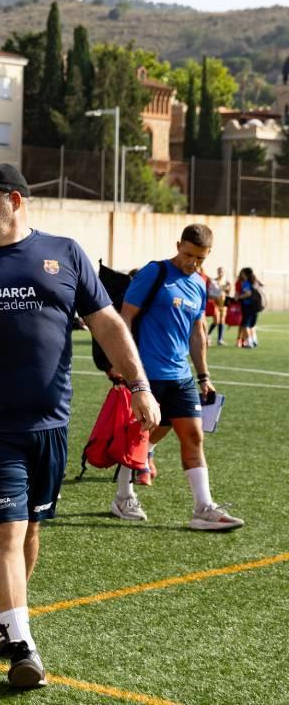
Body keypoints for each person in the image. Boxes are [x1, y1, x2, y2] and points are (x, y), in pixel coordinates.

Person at [0, 163, 159, 688]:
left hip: (50, 421)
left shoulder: (65, 253)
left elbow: (108, 322)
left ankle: (3, 620)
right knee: (4, 527)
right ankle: (23, 645)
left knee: (31, 528)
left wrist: (139, 385)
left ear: (15, 199)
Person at [109, 224, 244, 531]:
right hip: (146, 375)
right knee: (139, 437)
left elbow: (197, 333)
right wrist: (122, 365)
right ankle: (123, 497)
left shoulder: (199, 283)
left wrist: (203, 375)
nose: (192, 262)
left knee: (193, 437)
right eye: (187, 254)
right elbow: (125, 317)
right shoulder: (154, 273)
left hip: (181, 376)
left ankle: (203, 508)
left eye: (199, 258)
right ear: (178, 245)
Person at [235, 267, 262, 348]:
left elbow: (248, 293)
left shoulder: (246, 283)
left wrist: (239, 297)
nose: (241, 274)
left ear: (245, 274)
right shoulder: (254, 282)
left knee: (245, 324)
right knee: (251, 325)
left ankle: (249, 342)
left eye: (242, 273)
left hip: (248, 306)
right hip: (255, 306)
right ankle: (254, 340)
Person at [206, 267, 230, 346]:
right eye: (219, 271)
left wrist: (228, 288)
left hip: (223, 304)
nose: (220, 273)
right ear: (217, 272)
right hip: (216, 304)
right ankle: (208, 335)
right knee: (216, 321)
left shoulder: (226, 282)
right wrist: (214, 296)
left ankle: (220, 339)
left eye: (222, 272)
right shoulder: (214, 281)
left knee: (222, 321)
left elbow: (228, 293)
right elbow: (210, 293)